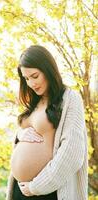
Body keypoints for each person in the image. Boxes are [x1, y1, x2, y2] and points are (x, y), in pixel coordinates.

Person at [6, 45, 88, 200]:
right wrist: (20, 134)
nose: (31, 83)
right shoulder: (35, 101)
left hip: (48, 191)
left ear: (48, 70)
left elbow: (72, 153)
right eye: (26, 78)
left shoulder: (70, 99)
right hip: (21, 191)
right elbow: (22, 133)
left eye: (35, 76)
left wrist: (36, 187)